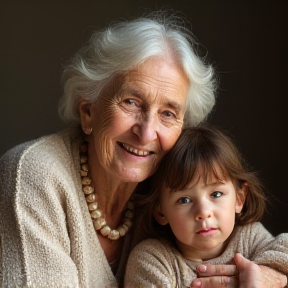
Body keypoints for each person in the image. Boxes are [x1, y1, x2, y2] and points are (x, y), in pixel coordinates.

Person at [0, 10, 285, 288]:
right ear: (88, 111)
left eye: (168, 114)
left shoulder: (173, 185)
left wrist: (274, 275)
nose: (147, 132)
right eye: (130, 102)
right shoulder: (33, 177)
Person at [124, 124, 288, 288]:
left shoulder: (249, 238)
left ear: (239, 198)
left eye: (216, 194)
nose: (203, 212)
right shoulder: (153, 259)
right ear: (160, 211)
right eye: (185, 200)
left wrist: (265, 273)